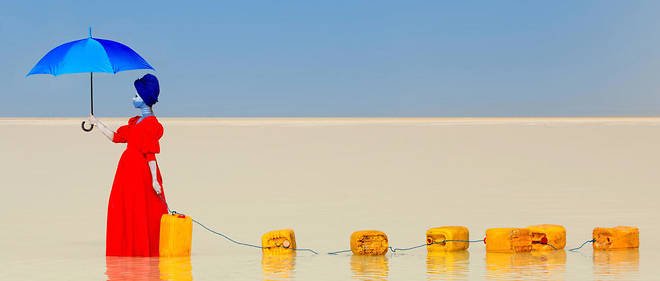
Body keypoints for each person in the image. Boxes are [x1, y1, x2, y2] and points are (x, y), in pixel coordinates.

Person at [89, 73, 167, 257]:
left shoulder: (150, 125)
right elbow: (116, 137)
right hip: (127, 171)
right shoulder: (135, 122)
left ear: (146, 99)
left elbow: (150, 155)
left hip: (141, 172)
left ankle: (142, 249)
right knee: (124, 207)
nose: (134, 98)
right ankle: (128, 248)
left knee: (141, 209)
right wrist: (97, 123)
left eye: (137, 96)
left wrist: (155, 180)